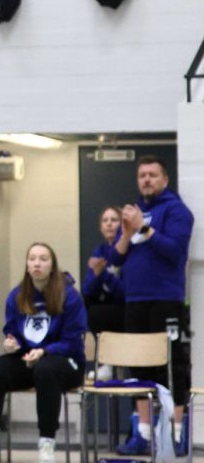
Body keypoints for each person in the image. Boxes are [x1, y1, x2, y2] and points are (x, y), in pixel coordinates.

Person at [0, 243, 87, 463]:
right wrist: (12, 343)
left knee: (46, 369)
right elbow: (12, 331)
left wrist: (44, 351)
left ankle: (47, 444)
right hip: (30, 359)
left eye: (43, 259)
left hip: (67, 362)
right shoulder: (17, 295)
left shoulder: (69, 295)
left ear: (52, 266)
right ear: (27, 265)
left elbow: (72, 341)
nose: (37, 263)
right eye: (32, 259)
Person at [109, 155, 194, 455]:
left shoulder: (177, 211)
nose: (146, 179)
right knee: (139, 370)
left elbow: (174, 251)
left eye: (152, 174)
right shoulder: (133, 212)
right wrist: (127, 232)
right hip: (135, 301)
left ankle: (176, 433)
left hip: (166, 301)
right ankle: (143, 434)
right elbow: (115, 259)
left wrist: (143, 229)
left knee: (172, 369)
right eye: (142, 175)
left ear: (164, 179)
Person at [83, 206, 125, 338]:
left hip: (124, 305)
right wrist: (96, 274)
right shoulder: (100, 250)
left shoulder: (128, 249)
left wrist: (103, 274)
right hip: (104, 303)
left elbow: (125, 293)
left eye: (114, 220)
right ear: (101, 227)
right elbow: (87, 291)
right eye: (105, 220)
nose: (109, 223)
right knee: (85, 303)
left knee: (96, 313)